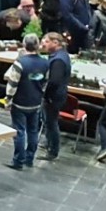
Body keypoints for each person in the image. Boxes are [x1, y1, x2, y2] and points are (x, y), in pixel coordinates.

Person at [4, 34, 52, 170]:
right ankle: (29, 159)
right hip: (35, 102)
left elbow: (13, 84)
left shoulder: (20, 63)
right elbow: (45, 82)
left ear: (24, 45)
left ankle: (18, 161)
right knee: (33, 131)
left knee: (19, 131)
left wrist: (8, 99)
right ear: (37, 46)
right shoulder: (46, 63)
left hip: (20, 103)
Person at [39, 32, 72, 161]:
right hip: (57, 94)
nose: (43, 44)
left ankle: (53, 151)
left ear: (55, 43)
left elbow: (54, 81)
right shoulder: (62, 55)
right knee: (48, 121)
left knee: (51, 123)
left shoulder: (58, 60)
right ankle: (48, 143)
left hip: (54, 96)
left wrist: (46, 95)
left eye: (46, 41)